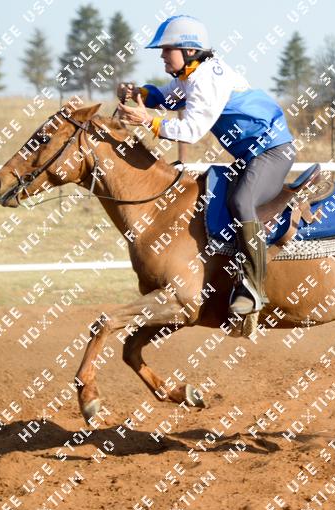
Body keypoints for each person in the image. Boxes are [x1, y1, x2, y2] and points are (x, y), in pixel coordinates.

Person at [117, 15, 295, 316]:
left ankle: (253, 288)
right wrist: (142, 94)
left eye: (167, 49)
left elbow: (191, 131)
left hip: (272, 151)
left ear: (189, 50)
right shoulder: (193, 74)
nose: (162, 55)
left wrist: (149, 121)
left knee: (242, 202)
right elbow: (170, 97)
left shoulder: (207, 78)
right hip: (252, 155)